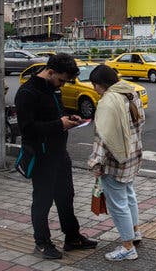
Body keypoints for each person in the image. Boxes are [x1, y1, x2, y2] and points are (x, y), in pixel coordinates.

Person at [15, 53, 97, 260]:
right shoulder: (27, 92)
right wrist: (59, 124)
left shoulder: (53, 89)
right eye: (61, 80)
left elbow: (53, 115)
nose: (62, 84)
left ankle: (72, 237)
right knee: (42, 200)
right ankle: (42, 243)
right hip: (41, 156)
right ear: (50, 72)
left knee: (66, 196)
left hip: (60, 154)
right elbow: (27, 129)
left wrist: (69, 118)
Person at [88, 65, 145, 262]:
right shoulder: (130, 93)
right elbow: (140, 121)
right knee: (129, 196)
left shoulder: (108, 102)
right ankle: (135, 233)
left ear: (101, 85)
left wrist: (96, 163)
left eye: (94, 85)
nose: (94, 89)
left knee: (118, 204)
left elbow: (103, 137)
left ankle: (128, 247)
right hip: (132, 155)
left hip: (115, 162)